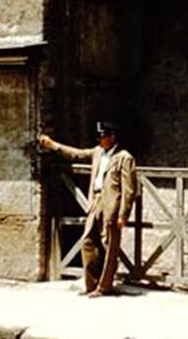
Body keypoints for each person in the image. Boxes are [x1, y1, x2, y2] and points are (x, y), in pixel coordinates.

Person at [39, 121, 137, 297]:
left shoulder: (124, 157)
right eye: (99, 137)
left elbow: (129, 190)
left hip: (111, 205)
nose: (100, 140)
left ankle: (105, 286)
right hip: (96, 201)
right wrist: (54, 146)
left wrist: (124, 215)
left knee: (109, 246)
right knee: (88, 242)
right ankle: (91, 285)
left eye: (103, 137)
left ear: (112, 137)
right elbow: (76, 154)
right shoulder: (98, 152)